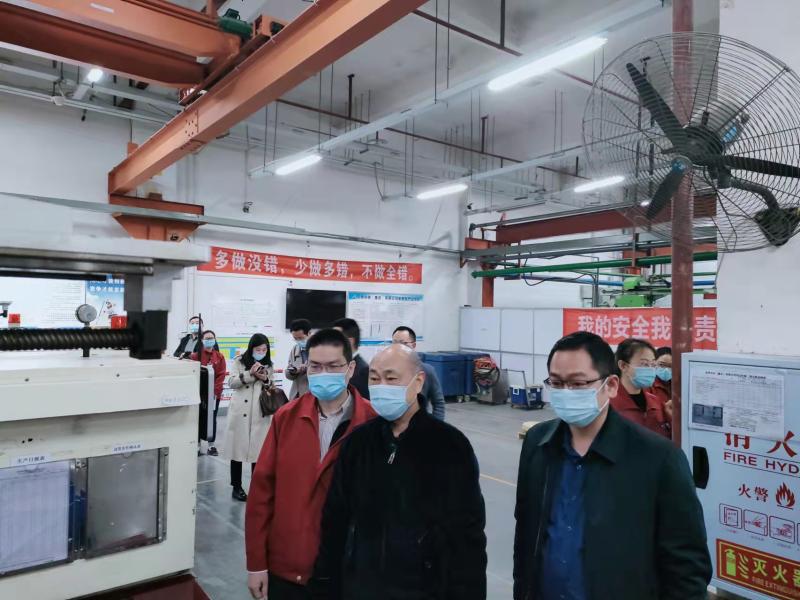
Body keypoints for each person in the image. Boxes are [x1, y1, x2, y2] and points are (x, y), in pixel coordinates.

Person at [514, 331, 711, 600]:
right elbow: (526, 535)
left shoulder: (659, 458)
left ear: (611, 385)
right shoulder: (538, 443)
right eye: (556, 383)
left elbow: (687, 566)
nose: (565, 393)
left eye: (578, 383)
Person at [310, 344, 487, 600]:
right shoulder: (358, 444)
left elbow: (467, 536)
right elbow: (335, 520)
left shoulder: (450, 447)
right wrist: (325, 583)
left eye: (391, 378)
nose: (381, 386)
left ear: (418, 382)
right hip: (360, 589)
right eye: (374, 379)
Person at [245, 328, 376, 600]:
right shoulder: (286, 418)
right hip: (287, 571)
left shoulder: (373, 423)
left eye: (334, 366)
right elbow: (261, 494)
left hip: (348, 573)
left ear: (350, 369)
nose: (323, 373)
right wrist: (256, 564)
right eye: (315, 366)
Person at [226, 333, 274, 502]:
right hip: (240, 411)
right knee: (237, 451)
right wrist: (250, 374)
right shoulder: (239, 361)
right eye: (258, 349)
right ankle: (236, 487)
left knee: (258, 452)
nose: (261, 352)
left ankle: (256, 487)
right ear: (251, 348)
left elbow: (271, 386)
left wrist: (265, 378)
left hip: (259, 413)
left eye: (264, 349)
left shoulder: (269, 364)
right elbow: (231, 382)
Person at [613, 338, 671, 438]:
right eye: (644, 364)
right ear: (623, 366)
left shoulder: (656, 402)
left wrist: (671, 419)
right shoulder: (608, 404)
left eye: (653, 364)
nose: (650, 369)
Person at [391, 326, 446, 420]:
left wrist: (436, 425)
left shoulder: (427, 370)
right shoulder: (386, 370)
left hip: (419, 423)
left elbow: (438, 403)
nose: (398, 348)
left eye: (403, 343)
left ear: (413, 345)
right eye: (395, 343)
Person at [191, 330, 227, 456]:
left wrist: (214, 392)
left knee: (212, 419)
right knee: (198, 418)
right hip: (199, 394)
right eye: (207, 338)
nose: (210, 340)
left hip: (214, 395)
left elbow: (221, 375)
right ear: (202, 340)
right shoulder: (195, 356)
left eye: (212, 338)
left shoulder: (220, 357)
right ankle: (197, 445)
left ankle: (211, 446)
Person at [332, 317, 369, 399]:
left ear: (349, 342)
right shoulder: (339, 365)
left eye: (335, 339)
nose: (330, 343)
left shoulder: (363, 370)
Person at [286, 318, 312, 399]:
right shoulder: (295, 349)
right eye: (295, 338)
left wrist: (308, 369)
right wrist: (293, 372)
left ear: (309, 333)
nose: (298, 341)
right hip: (296, 395)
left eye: (301, 338)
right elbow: (288, 374)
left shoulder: (319, 349)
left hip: (312, 395)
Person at [653, 346, 673, 421]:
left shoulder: (678, 385)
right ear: (654, 363)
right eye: (661, 365)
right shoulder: (648, 384)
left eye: (671, 366)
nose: (666, 370)